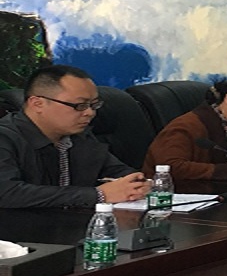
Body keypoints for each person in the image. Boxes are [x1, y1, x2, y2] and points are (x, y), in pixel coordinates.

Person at [0, 65, 149, 208]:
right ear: (37, 104)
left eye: (94, 105)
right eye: (80, 106)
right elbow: (7, 193)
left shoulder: (78, 136)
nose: (90, 113)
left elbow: (116, 171)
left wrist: (136, 184)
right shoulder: (5, 137)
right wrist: (97, 195)